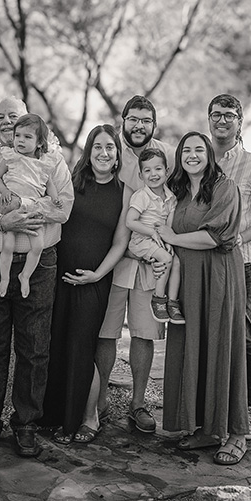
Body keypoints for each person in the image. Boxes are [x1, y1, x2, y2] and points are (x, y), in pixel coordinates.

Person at [0, 96, 74, 457]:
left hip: (38, 267)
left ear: (28, 121)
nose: (7, 122)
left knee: (34, 347)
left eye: (14, 115)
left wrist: (30, 210)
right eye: (0, 117)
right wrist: (1, 221)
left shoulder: (52, 160)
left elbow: (65, 207)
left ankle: (26, 424)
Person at [158, 131, 250, 466]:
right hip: (188, 281)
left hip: (218, 278)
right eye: (186, 150)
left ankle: (237, 431)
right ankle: (207, 428)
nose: (192, 155)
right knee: (193, 348)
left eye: (199, 150)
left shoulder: (225, 187)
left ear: (210, 155)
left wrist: (172, 236)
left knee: (223, 347)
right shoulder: (179, 192)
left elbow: (217, 236)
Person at [39, 124, 129, 445]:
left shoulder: (124, 192)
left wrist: (98, 274)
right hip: (58, 278)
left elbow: (120, 243)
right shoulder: (72, 184)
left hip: (93, 283)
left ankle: (88, 417)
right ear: (89, 153)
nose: (104, 153)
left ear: (117, 155)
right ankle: (54, 415)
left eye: (110, 148)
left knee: (82, 349)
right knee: (57, 345)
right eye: (98, 148)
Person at [95, 95, 174, 435]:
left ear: (153, 124)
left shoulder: (168, 154)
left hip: (150, 261)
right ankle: (97, 403)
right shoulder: (108, 147)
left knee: (145, 334)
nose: (139, 125)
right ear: (123, 120)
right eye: (133, 119)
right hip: (113, 258)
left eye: (146, 120)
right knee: (106, 332)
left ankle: (137, 404)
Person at [208, 94, 251, 441]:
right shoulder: (199, 160)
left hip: (240, 263)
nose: (222, 121)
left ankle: (249, 409)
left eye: (229, 115)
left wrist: (239, 236)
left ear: (240, 122)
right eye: (216, 114)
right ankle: (214, 410)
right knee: (209, 336)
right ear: (208, 120)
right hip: (203, 265)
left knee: (243, 337)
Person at [0, 113, 63, 298]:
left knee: (38, 246)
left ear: (39, 142)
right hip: (12, 207)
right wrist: (4, 191)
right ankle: (5, 279)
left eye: (27, 137)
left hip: (33, 210)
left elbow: (49, 185)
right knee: (7, 245)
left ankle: (25, 276)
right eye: (18, 136)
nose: (20, 140)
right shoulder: (10, 157)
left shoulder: (43, 164)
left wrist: (55, 198)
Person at [125, 147, 180, 324]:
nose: (153, 174)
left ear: (167, 171)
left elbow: (168, 225)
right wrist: (151, 232)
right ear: (141, 176)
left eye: (158, 169)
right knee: (165, 258)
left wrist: (168, 241)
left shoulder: (171, 197)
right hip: (141, 240)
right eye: (147, 170)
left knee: (176, 261)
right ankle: (158, 299)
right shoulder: (141, 196)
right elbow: (130, 221)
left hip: (158, 240)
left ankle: (172, 302)